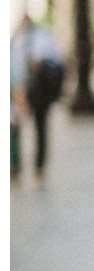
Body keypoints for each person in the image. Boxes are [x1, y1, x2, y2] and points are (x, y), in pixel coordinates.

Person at [10, 16, 65, 184]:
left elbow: (56, 63)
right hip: (18, 89)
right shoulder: (17, 40)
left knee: (38, 128)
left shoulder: (42, 39)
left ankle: (38, 166)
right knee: (14, 127)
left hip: (37, 91)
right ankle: (15, 165)